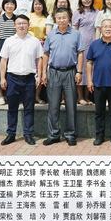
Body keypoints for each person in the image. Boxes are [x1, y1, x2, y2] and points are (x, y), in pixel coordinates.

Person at [0, 14, 44, 146]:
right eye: (19, 23)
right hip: (12, 78)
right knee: (12, 107)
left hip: (29, 78)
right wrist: (2, 77)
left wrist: (39, 75)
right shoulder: (9, 41)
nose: (21, 26)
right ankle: (11, 134)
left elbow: (39, 59)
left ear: (28, 25)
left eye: (24, 23)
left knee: (29, 108)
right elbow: (3, 60)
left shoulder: (34, 41)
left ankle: (28, 134)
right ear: (15, 25)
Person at [41, 8, 83, 146]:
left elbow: (80, 53)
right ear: (55, 19)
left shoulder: (76, 34)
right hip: (54, 72)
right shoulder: (51, 34)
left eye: (64, 17)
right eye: (59, 18)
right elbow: (46, 54)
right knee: (53, 105)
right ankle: (53, 135)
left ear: (69, 18)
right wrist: (44, 73)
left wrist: (79, 72)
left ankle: (70, 134)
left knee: (71, 105)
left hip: (70, 72)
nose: (61, 20)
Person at [72, 0, 98, 106]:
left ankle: (87, 97)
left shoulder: (97, 12)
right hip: (81, 44)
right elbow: (74, 29)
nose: (86, 0)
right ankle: (80, 97)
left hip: (93, 43)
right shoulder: (78, 12)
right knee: (81, 68)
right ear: (81, 0)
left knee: (90, 69)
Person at [0, 0, 17, 105]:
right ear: (3, 6)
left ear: (15, 6)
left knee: (12, 69)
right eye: (7, 4)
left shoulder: (17, 18)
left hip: (14, 45)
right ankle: (0, 96)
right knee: (0, 69)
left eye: (12, 4)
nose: (9, 6)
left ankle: (10, 94)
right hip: (1, 44)